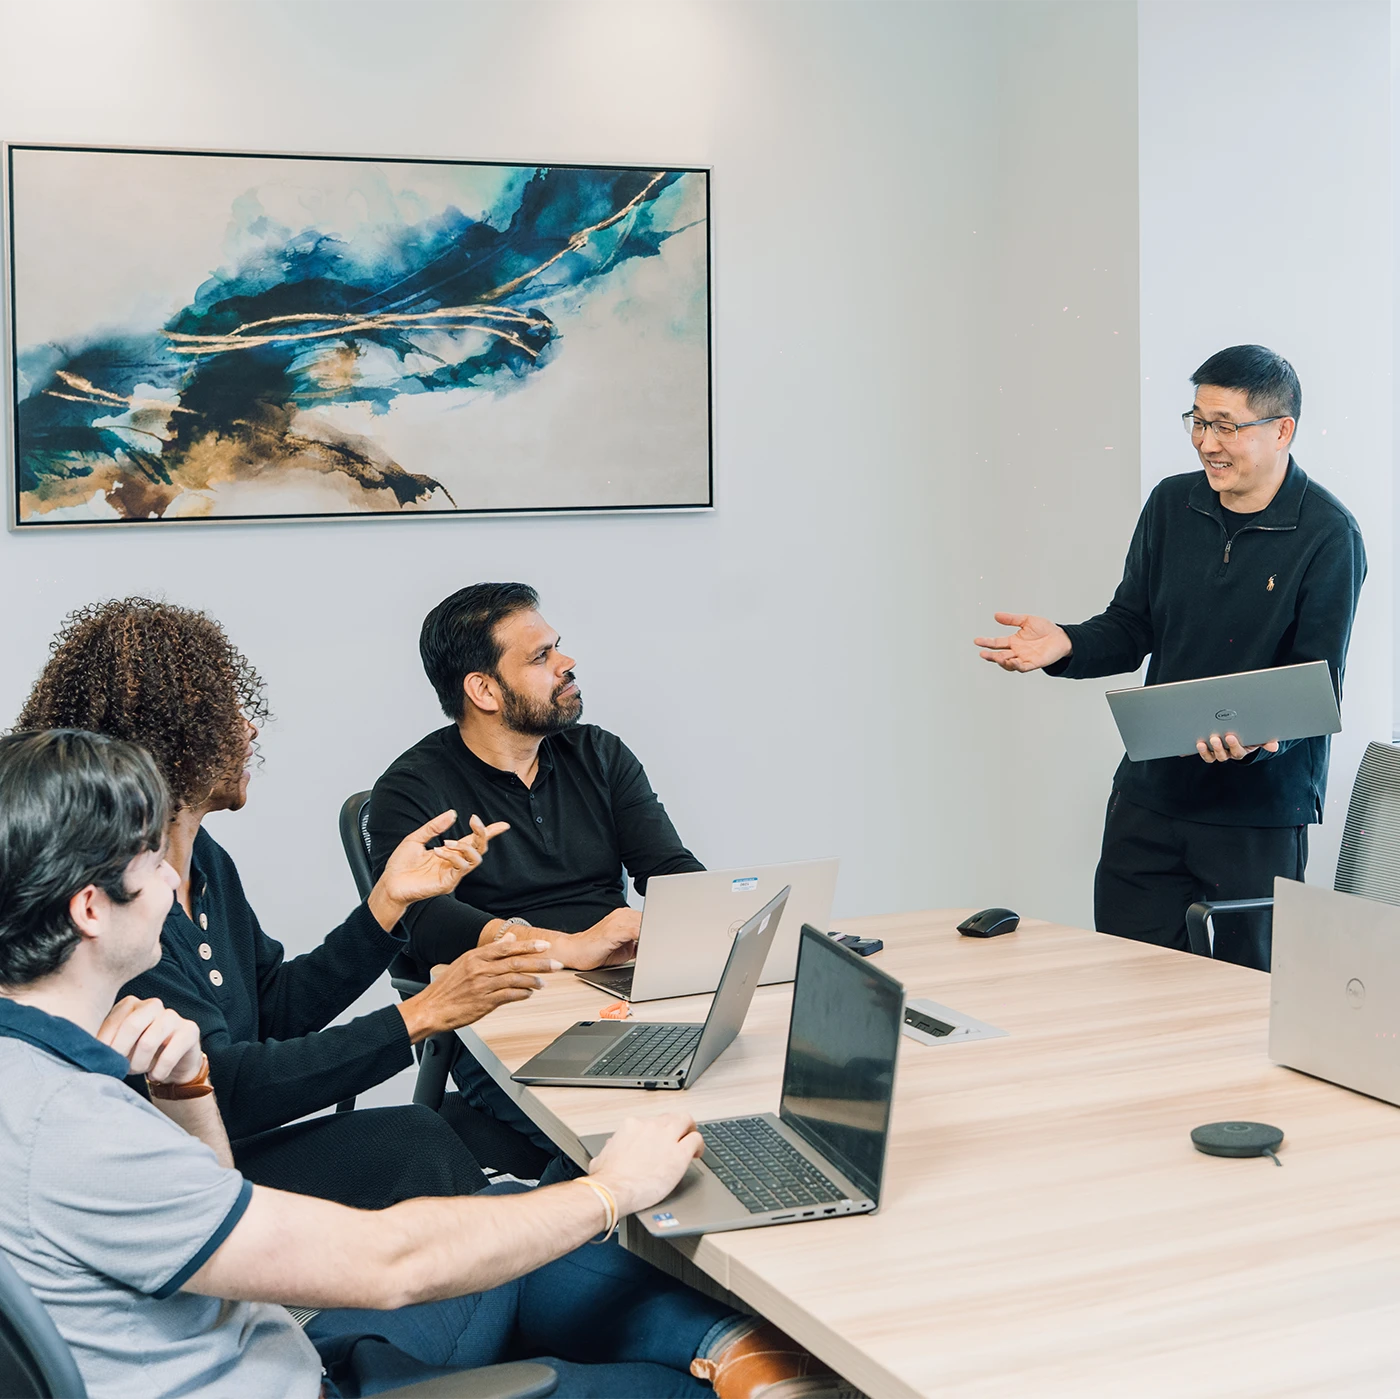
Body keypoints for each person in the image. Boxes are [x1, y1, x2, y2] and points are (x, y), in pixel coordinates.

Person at [0, 728, 857, 1399]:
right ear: (88, 908)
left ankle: (742, 1350)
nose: (169, 875)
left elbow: (214, 1199)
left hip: (273, 1345)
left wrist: (186, 1092)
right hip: (294, 1379)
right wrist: (612, 1188)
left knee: (507, 1213)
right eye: (152, 860)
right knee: (584, 1288)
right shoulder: (78, 1130)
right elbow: (387, 1263)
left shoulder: (38, 1071)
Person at [15, 598, 558, 1205]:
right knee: (421, 1145)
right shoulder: (120, 907)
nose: (248, 730)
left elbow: (272, 1009)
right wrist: (423, 1013)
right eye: (228, 712)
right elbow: (227, 1084)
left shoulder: (207, 862)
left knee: (425, 1136)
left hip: (227, 1142)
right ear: (170, 737)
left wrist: (386, 905)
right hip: (175, 1172)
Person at [974, 345, 1365, 970]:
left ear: (1282, 430)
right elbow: (1132, 627)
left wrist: (1265, 738)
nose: (1206, 443)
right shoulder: (1170, 505)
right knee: (1132, 991)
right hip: (1151, 801)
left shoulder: (1328, 534)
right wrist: (1066, 643)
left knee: (1236, 1010)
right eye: (1198, 422)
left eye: (1226, 426)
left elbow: (1314, 682)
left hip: (1255, 817)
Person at [370, 582, 706, 976]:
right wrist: (566, 948)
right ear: (484, 690)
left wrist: (722, 919)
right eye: (540, 657)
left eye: (557, 646)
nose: (566, 662)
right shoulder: (411, 787)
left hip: (617, 974)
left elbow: (667, 867)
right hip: (505, 988)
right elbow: (422, 921)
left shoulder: (599, 753)